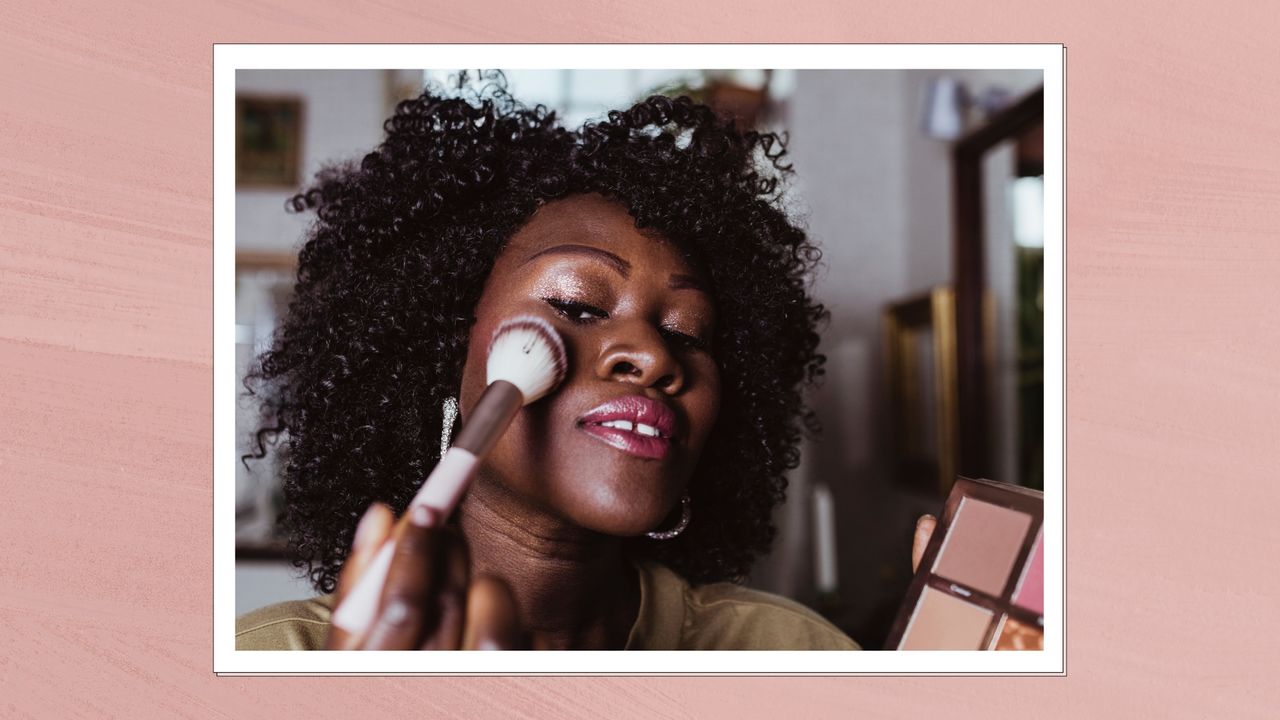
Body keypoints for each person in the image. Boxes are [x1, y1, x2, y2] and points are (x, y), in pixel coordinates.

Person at [236, 72, 897, 651]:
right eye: (577, 305)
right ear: (442, 351)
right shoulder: (274, 661)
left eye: (691, 334)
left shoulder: (792, 654)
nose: (653, 355)